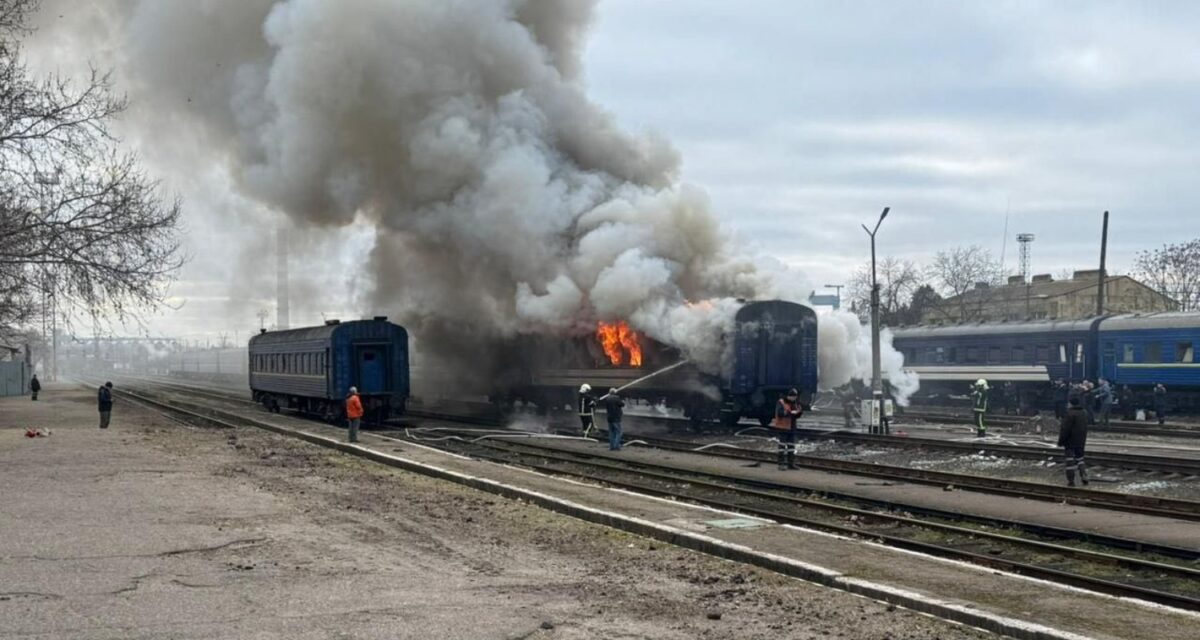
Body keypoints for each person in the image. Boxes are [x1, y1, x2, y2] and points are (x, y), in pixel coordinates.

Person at [1057, 395, 1089, 487]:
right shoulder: (1084, 412)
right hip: (1081, 440)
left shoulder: (1069, 413)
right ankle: (1084, 475)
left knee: (1070, 461)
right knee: (1080, 459)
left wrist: (1061, 441)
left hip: (1070, 441)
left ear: (1070, 404)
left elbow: (1065, 429)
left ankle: (1071, 481)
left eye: (1068, 403)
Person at [772, 388, 804, 469]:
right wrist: (790, 413)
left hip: (792, 427)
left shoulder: (795, 403)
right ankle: (781, 464)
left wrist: (799, 412)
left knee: (791, 446)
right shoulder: (781, 402)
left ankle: (791, 464)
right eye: (792, 397)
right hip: (783, 427)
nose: (794, 398)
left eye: (795, 397)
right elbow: (780, 413)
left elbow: (797, 415)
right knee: (782, 446)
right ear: (788, 396)